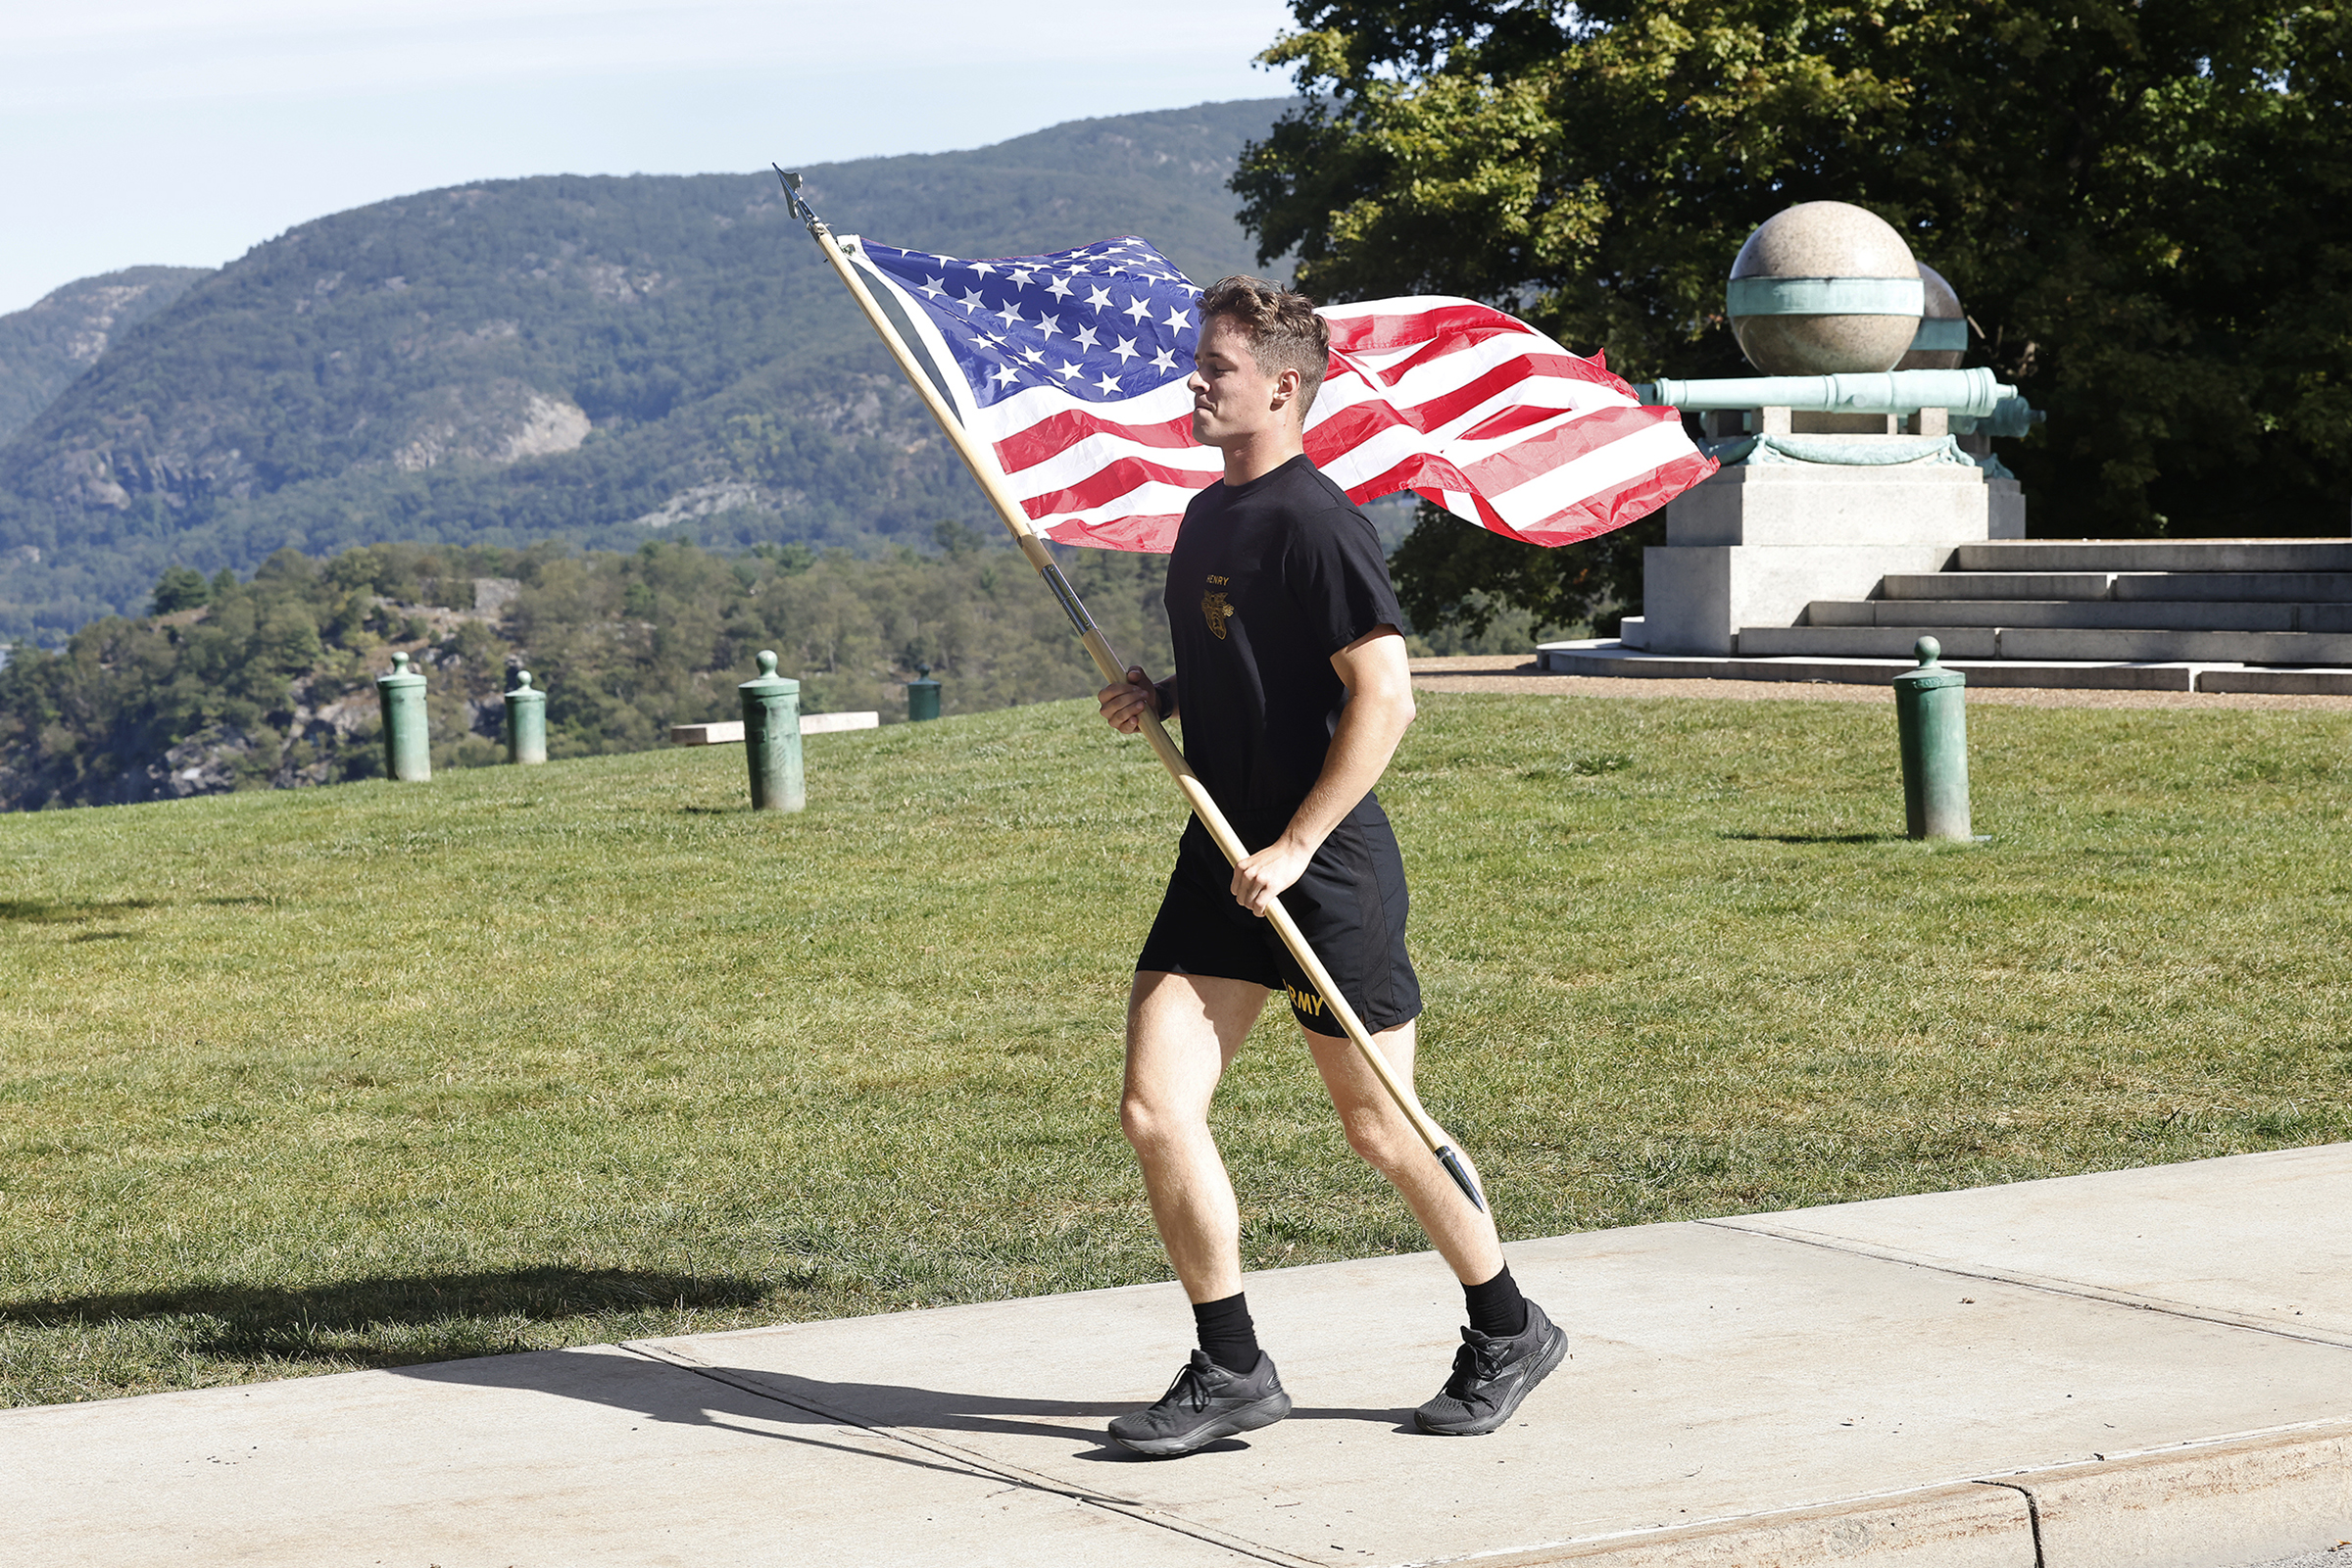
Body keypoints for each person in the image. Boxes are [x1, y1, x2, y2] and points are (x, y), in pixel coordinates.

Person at [1094, 275, 1566, 1459]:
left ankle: (1510, 1328)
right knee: (1156, 1108)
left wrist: (1298, 844)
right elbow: (1254, 660)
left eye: (1218, 366)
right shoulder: (1209, 515)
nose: (1195, 380)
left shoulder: (1318, 521)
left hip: (1324, 867)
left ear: (1284, 387)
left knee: (1382, 1126)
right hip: (1221, 856)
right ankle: (1231, 1365)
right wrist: (1164, 693)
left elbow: (1384, 696)